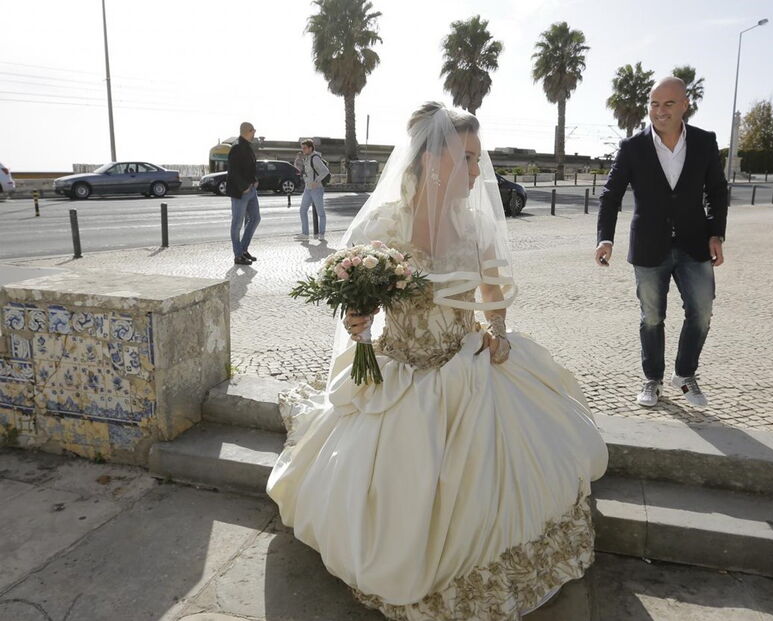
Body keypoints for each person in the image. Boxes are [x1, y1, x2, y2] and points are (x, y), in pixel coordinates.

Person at [267, 102, 608, 621]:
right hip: (400, 368)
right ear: (431, 161)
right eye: (467, 158)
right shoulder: (384, 223)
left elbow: (493, 293)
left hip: (468, 364)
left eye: (478, 158)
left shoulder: (475, 226)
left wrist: (496, 330)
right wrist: (358, 320)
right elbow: (360, 299)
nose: (478, 170)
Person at [595, 76, 728, 408]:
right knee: (652, 316)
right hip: (648, 246)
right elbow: (610, 196)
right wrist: (605, 238)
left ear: (685, 105)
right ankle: (651, 379)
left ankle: (684, 374)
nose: (660, 111)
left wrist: (716, 233)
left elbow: (716, 191)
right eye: (654, 104)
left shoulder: (704, 142)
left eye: (669, 103)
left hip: (694, 242)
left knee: (702, 312)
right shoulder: (632, 147)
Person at [227, 121, 261, 265]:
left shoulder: (247, 146)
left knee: (255, 218)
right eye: (254, 131)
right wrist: (244, 187)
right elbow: (233, 171)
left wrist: (254, 180)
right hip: (240, 192)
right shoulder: (236, 147)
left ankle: (243, 250)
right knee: (237, 224)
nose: (255, 133)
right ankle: (238, 255)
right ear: (248, 131)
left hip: (251, 190)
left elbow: (250, 168)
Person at [294, 138, 331, 241]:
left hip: (316, 189)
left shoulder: (315, 158)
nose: (303, 150)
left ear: (310, 148)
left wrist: (317, 181)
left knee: (321, 213)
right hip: (307, 189)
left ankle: (322, 234)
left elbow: (325, 171)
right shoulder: (307, 158)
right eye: (302, 148)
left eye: (305, 148)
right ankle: (305, 234)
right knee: (302, 210)